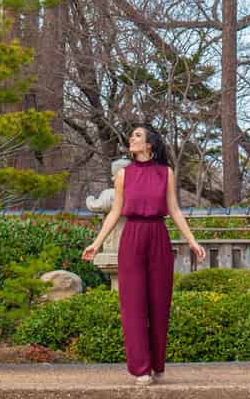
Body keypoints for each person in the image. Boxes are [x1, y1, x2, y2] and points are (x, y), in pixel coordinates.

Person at [82, 125, 206, 383]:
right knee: (133, 304)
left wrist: (192, 241)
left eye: (137, 136)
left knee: (160, 303)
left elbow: (174, 209)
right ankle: (141, 369)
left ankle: (157, 363)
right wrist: (96, 242)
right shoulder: (124, 175)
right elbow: (115, 212)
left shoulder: (166, 172)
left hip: (158, 235)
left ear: (150, 144)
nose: (132, 139)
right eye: (132, 136)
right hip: (132, 236)